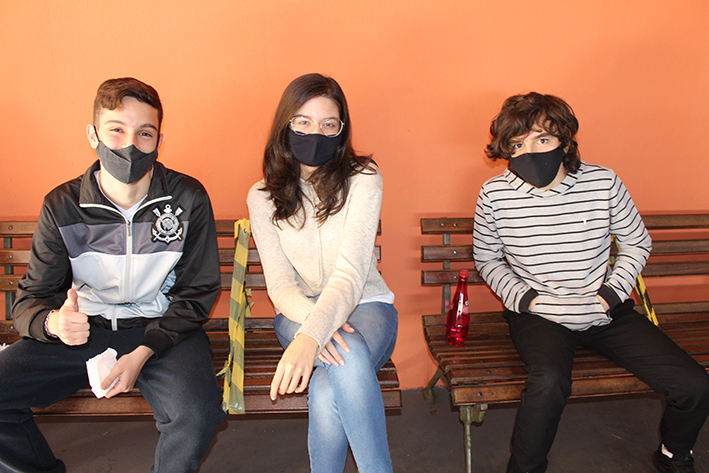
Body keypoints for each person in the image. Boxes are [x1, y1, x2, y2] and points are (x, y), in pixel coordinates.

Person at [473, 92, 709, 473]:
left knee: (694, 384)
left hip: (604, 310)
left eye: (542, 140)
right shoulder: (495, 194)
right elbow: (487, 258)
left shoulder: (603, 182)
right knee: (549, 383)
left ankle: (674, 454)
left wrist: (609, 296)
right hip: (540, 314)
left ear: (565, 141)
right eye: (517, 145)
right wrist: (528, 300)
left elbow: (637, 241)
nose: (529, 153)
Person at [0, 77, 226, 473]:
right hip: (86, 330)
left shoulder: (187, 198)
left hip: (162, 331)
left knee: (198, 414)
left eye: (144, 133)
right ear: (93, 135)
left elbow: (197, 292)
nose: (130, 145)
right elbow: (30, 298)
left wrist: (145, 350)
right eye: (116, 130)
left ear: (158, 140)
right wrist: (54, 323)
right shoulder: (63, 205)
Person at [247, 73, 398, 473]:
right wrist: (313, 327)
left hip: (366, 304)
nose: (316, 133)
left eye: (329, 124)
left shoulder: (364, 179)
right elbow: (280, 285)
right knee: (346, 357)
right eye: (304, 122)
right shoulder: (262, 197)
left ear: (341, 130)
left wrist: (312, 338)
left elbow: (350, 275)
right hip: (298, 311)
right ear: (286, 125)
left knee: (329, 381)